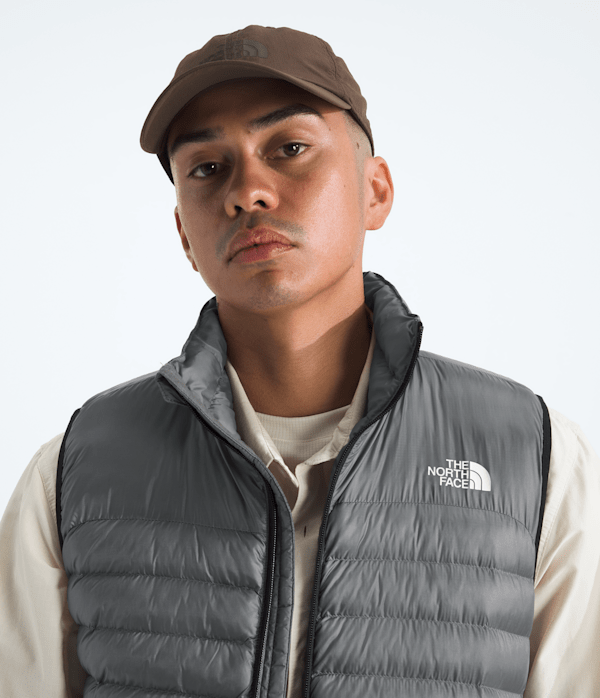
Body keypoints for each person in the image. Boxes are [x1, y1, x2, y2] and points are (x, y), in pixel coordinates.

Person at [0, 24, 598, 698]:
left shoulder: (536, 458)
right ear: (184, 235)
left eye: (289, 148)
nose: (247, 192)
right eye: (207, 168)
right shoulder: (75, 473)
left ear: (375, 191)